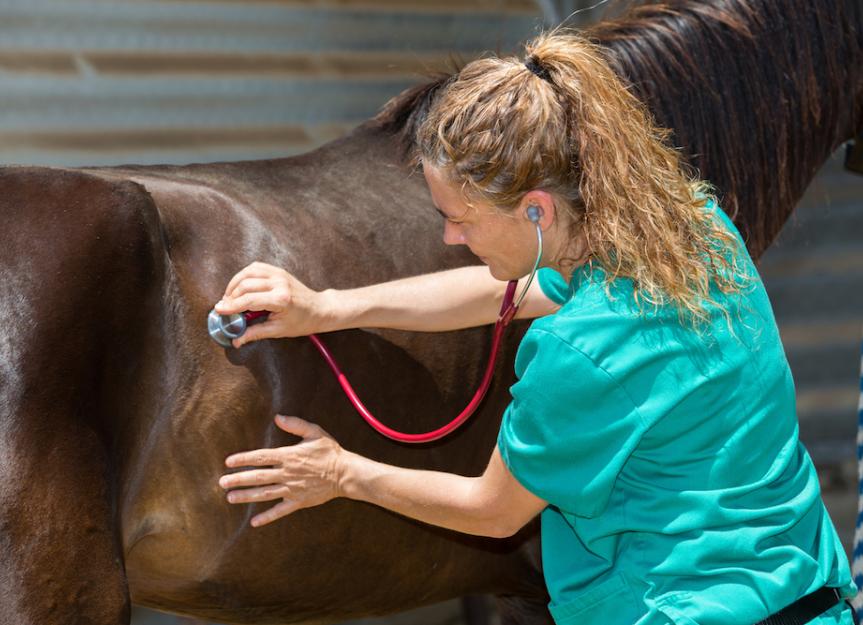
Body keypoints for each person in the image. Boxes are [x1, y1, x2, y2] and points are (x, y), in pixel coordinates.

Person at [214, 30, 855, 625]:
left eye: (461, 219)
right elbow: (509, 291)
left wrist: (340, 473)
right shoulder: (691, 226)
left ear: (537, 210)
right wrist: (328, 306)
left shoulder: (579, 351)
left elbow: (493, 511)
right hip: (808, 594)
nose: (450, 237)